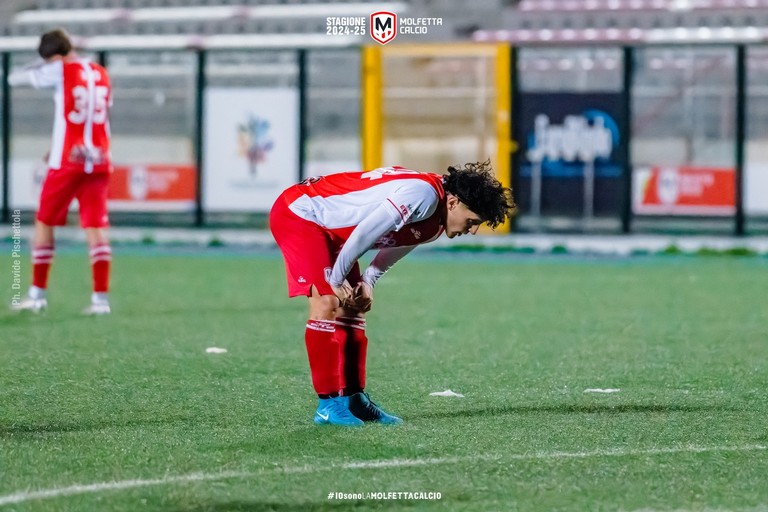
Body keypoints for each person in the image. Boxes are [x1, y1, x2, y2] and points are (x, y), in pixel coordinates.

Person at [269, 161, 516, 426]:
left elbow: (399, 243)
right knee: (328, 301)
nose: (473, 230)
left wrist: (369, 281)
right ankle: (327, 405)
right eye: (473, 221)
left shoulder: (435, 221)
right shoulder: (422, 194)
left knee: (353, 307)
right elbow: (366, 231)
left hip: (332, 229)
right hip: (301, 213)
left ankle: (354, 399)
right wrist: (337, 278)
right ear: (454, 203)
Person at [9, 29, 114, 315]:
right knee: (96, 228)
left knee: (44, 222)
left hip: (68, 161)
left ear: (54, 57)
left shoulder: (60, 70)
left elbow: (15, 77)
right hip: (100, 159)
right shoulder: (100, 72)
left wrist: (41, 67)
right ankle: (100, 300)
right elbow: (96, 118)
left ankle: (37, 294)